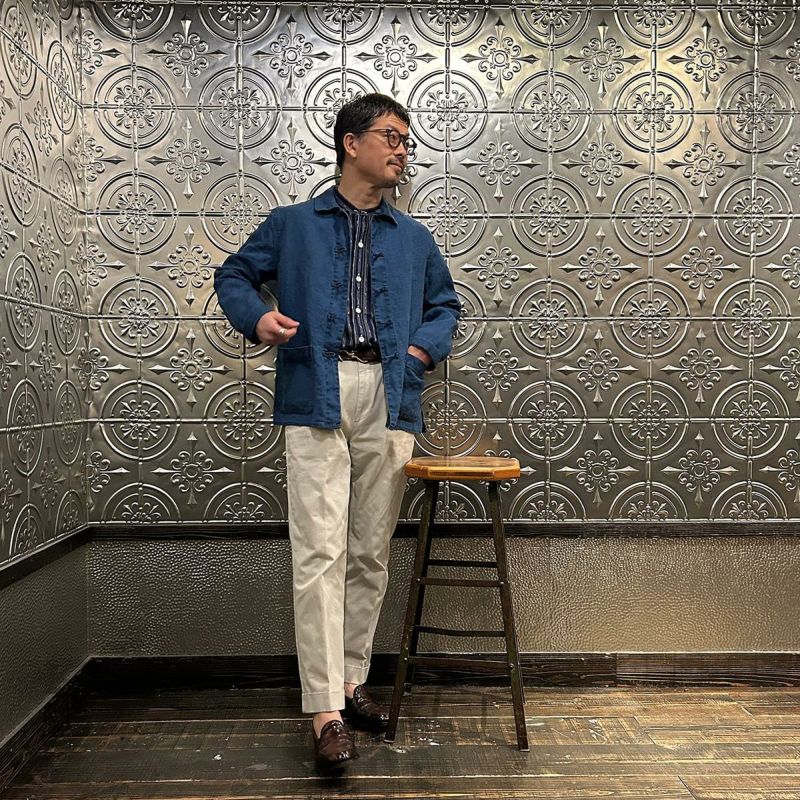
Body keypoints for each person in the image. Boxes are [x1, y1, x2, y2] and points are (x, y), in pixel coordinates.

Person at [213, 93, 460, 771]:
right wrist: (256, 318)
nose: (402, 150)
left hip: (391, 393)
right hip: (314, 391)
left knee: (369, 551)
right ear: (352, 143)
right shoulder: (292, 224)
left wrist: (419, 352)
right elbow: (234, 274)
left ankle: (352, 683)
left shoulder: (414, 238)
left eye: (407, 141)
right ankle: (324, 709)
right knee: (318, 551)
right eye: (392, 137)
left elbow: (445, 305)